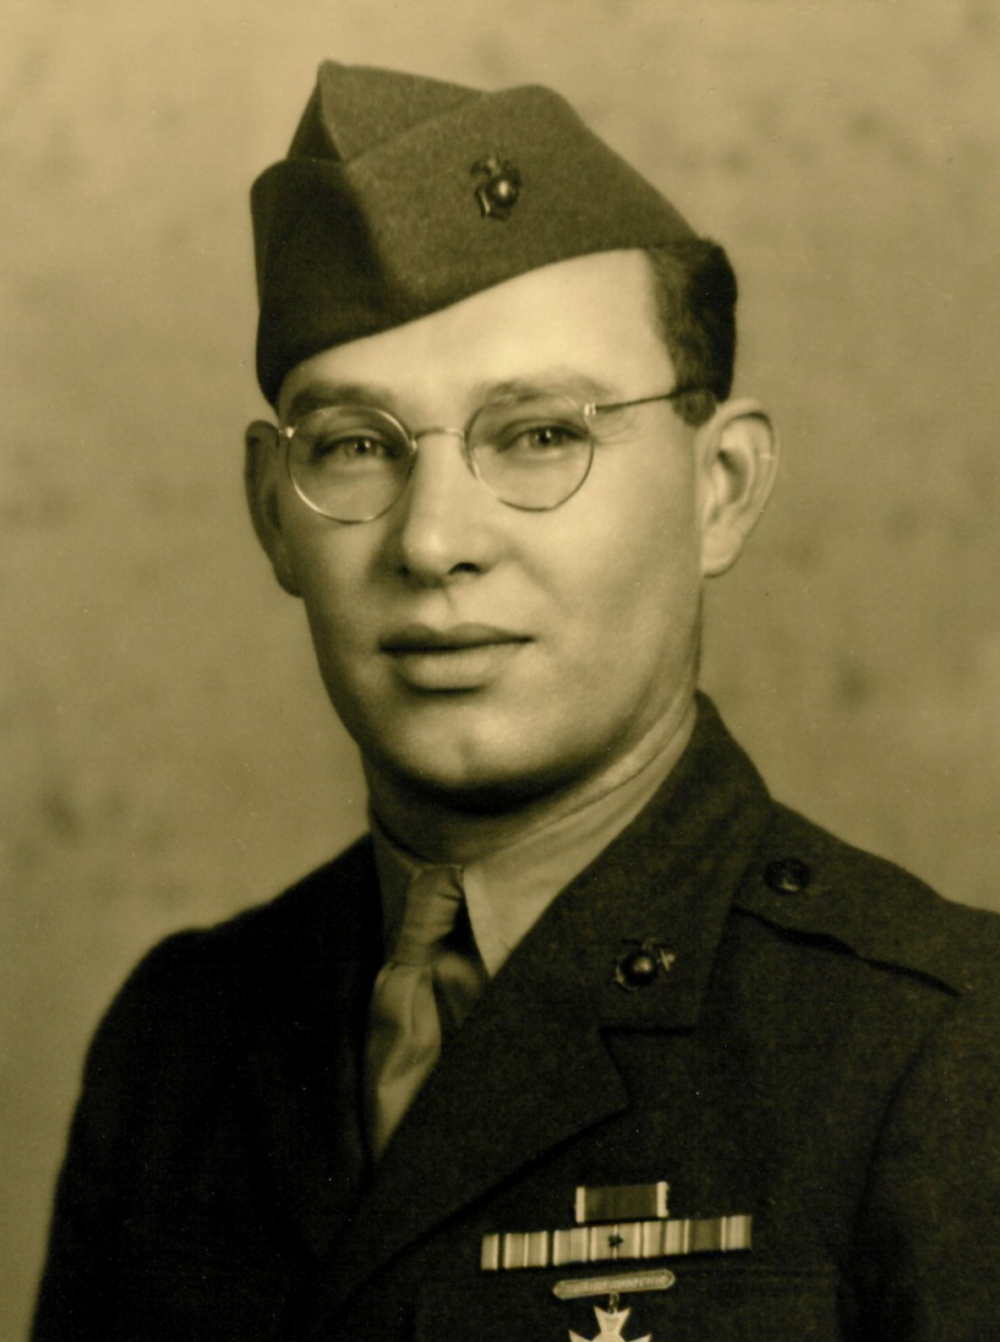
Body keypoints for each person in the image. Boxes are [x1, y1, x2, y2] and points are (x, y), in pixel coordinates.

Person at [32, 61, 1000, 1342]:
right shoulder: (180, 1045)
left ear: (722, 489)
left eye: (539, 434)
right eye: (358, 446)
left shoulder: (940, 1048)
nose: (433, 542)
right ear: (273, 514)